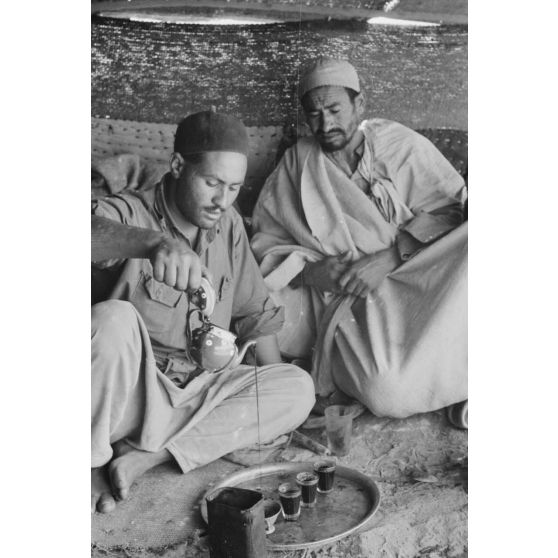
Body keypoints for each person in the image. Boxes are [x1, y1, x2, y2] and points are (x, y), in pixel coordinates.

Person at [91, 111, 315, 514]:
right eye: (211, 183)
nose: (221, 200)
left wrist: (275, 400)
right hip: (132, 394)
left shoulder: (227, 224)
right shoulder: (132, 212)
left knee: (297, 387)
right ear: (178, 166)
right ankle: (91, 460)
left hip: (199, 392)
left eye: (232, 188)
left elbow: (254, 313)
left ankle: (148, 456)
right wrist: (152, 244)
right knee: (113, 319)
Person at [251, 58, 467, 421]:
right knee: (385, 394)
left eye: (335, 109)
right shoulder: (298, 163)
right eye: (315, 114)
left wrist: (391, 257)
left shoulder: (400, 146)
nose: (326, 124)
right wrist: (310, 272)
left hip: (422, 282)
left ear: (360, 105)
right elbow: (264, 244)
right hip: (354, 300)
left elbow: (454, 214)